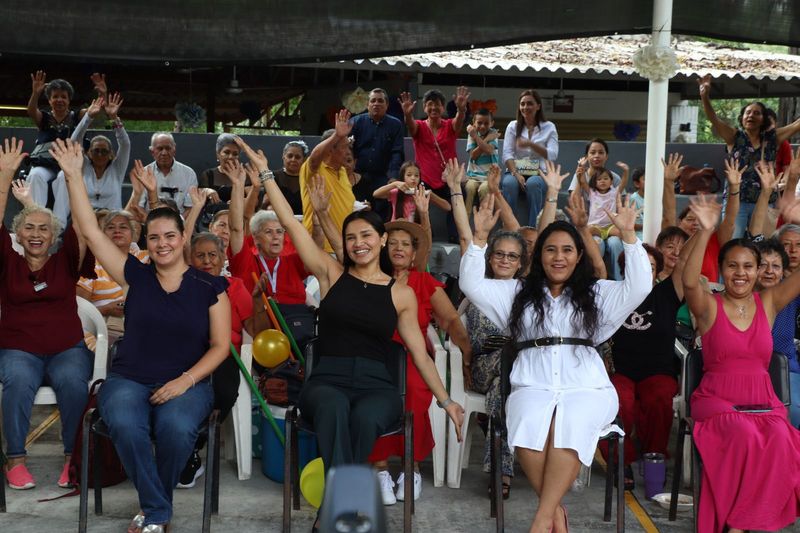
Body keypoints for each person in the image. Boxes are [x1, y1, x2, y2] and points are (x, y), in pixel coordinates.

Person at [234, 136, 464, 531]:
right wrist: (267, 174)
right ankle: (347, 510)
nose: (358, 243)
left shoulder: (401, 294)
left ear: (382, 241)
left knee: (366, 418)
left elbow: (420, 353)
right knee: (336, 410)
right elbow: (290, 222)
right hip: (328, 379)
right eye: (351, 237)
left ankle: (334, 511)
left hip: (377, 384)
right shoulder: (330, 275)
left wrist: (447, 402)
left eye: (366, 236)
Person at [53, 137, 231, 533]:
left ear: (183, 238)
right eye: (154, 238)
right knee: (123, 421)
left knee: (176, 429)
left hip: (188, 380)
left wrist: (184, 381)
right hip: (129, 378)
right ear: (145, 244)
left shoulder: (210, 288)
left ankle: (153, 509)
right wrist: (71, 175)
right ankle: (157, 510)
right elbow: (90, 230)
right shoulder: (135, 275)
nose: (163, 243)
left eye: (170, 236)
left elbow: (221, 346)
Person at [459, 189, 651, 532]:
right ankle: (554, 514)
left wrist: (630, 238)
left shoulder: (598, 293)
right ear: (539, 255)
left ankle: (541, 519)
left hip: (586, 387)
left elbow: (638, 287)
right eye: (550, 249)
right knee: (527, 420)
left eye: (566, 250)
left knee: (572, 421)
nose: (558, 257)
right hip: (532, 384)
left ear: (579, 256)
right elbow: (471, 284)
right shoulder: (516, 293)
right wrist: (479, 238)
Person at [681, 193, 800, 533]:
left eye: (748, 266)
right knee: (744, 434)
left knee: (781, 438)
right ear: (721, 269)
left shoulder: (770, 301)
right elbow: (689, 281)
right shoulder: (708, 305)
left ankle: (742, 523)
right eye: (732, 265)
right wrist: (705, 230)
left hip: (763, 400)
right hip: (717, 399)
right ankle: (740, 524)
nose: (740, 273)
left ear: (758, 270)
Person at [0, 138, 96, 490]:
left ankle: (73, 457)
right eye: (29, 227)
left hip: (66, 348)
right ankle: (16, 460)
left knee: (73, 382)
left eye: (44, 228)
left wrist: (74, 174)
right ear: (18, 234)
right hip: (17, 349)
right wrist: (5, 173)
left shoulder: (66, 260)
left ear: (54, 234)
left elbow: (84, 227)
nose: (37, 233)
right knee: (18, 382)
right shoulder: (7, 262)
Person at [364, 219, 472, 504]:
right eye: (393, 243)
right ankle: (380, 470)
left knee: (412, 392)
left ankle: (411, 470)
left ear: (414, 254)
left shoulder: (424, 282)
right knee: (375, 394)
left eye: (406, 245)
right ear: (383, 248)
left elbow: (450, 320)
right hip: (376, 356)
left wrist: (466, 356)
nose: (399, 249)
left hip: (413, 357)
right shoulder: (371, 277)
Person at [603, 239, 692, 489]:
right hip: (622, 371)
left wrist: (704, 231)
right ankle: (622, 459)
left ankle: (655, 457)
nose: (645, 271)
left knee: (659, 399)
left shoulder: (667, 293)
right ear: (626, 269)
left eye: (650, 266)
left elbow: (684, 263)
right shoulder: (615, 294)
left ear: (657, 271)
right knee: (619, 403)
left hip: (657, 372)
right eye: (637, 266)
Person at [178, 232, 253, 488]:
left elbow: (253, 326)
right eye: (200, 255)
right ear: (190, 259)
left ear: (223, 258)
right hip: (188, 352)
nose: (207, 261)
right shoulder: (181, 285)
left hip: (225, 354)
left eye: (213, 255)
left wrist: (260, 302)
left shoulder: (236, 286)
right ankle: (181, 446)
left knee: (223, 390)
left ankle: (192, 444)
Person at [698, 74, 800, 237]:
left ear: (764, 119)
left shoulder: (773, 138)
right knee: (734, 242)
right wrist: (705, 97)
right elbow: (714, 119)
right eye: (748, 112)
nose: (751, 115)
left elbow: (796, 125)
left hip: (766, 201)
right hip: (736, 201)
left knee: (762, 243)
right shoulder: (734, 136)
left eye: (756, 113)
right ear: (742, 117)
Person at [25, 71, 108, 207]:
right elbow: (31, 111)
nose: (59, 100)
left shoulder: (77, 116)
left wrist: (103, 94)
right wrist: (35, 93)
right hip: (45, 164)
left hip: (69, 166)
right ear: (49, 100)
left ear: (69, 100)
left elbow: (97, 110)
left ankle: (60, 222)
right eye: (55, 96)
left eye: (63, 97)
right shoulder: (44, 118)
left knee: (64, 178)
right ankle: (36, 215)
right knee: (35, 175)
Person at [400, 87, 470, 240]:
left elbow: (459, 120)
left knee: (460, 195)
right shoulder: (419, 126)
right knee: (417, 199)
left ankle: (455, 237)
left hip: (447, 179)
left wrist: (461, 109)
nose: (433, 107)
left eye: (437, 104)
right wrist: (407, 113)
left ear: (443, 107)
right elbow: (410, 125)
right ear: (425, 107)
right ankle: (424, 237)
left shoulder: (450, 125)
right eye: (430, 104)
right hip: (424, 180)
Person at [51, 93, 129, 228]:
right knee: (64, 175)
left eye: (104, 151)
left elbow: (125, 144)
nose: (100, 154)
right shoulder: (83, 166)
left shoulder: (117, 169)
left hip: (111, 221)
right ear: (88, 153)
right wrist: (88, 117)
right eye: (96, 151)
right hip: (84, 220)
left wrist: (114, 118)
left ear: (111, 154)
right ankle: (59, 229)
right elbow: (75, 141)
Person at [76, 209, 148, 342]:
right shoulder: (91, 266)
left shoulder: (145, 258)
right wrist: (106, 309)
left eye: (123, 226)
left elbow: (178, 247)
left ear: (133, 234)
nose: (117, 230)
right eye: (110, 227)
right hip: (104, 329)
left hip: (144, 326)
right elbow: (78, 312)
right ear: (102, 235)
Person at [754, 239, 800, 427]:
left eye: (776, 266)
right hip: (751, 371)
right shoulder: (739, 298)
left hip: (787, 368)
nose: (769, 271)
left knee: (795, 412)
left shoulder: (792, 297)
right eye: (763, 265)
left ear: (783, 272)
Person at [299, 109, 357, 253]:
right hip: (321, 249)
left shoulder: (343, 171)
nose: (348, 151)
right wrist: (337, 135)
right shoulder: (314, 170)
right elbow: (314, 157)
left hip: (344, 248)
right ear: (330, 150)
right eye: (344, 147)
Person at [500, 90, 559, 227]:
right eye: (522, 104)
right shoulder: (512, 126)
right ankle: (510, 227)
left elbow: (552, 154)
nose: (525, 107)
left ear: (538, 106)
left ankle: (534, 229)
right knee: (509, 184)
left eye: (530, 104)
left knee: (533, 184)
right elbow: (507, 154)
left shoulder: (549, 127)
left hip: (540, 172)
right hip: (515, 170)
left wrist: (531, 144)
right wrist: (516, 173)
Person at [350, 88, 405, 206]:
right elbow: (348, 150)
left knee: (382, 213)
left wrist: (393, 177)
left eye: (380, 101)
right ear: (367, 104)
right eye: (373, 101)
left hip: (383, 177)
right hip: (358, 176)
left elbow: (397, 152)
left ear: (387, 105)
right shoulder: (355, 122)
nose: (376, 104)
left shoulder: (395, 125)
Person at [140, 132, 198, 214]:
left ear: (174, 149)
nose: (164, 153)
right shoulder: (144, 174)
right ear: (152, 152)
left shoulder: (189, 174)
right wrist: (151, 224)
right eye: (160, 149)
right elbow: (138, 207)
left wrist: (179, 224)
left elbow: (190, 208)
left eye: (168, 148)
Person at [372, 160, 450, 222]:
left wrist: (432, 195)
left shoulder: (422, 194)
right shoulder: (396, 192)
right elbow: (375, 194)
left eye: (416, 175)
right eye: (409, 175)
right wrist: (394, 184)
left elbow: (447, 207)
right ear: (403, 177)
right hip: (397, 230)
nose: (413, 178)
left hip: (416, 231)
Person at [465, 108, 500, 213]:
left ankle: (484, 221)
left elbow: (489, 150)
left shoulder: (494, 134)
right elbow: (473, 155)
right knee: (469, 188)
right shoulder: (472, 134)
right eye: (479, 123)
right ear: (473, 123)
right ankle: (465, 220)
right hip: (472, 176)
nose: (483, 126)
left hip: (489, 177)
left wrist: (477, 138)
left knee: (485, 189)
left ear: (492, 123)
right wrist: (483, 138)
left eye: (486, 123)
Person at [263, 140, 308, 215]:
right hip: (278, 221)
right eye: (290, 156)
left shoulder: (308, 179)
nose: (293, 159)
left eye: (297, 157)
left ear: (303, 159)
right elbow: (265, 203)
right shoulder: (272, 176)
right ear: (283, 156)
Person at [197, 133, 242, 204]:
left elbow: (253, 200)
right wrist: (207, 191)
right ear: (218, 154)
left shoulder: (243, 175)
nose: (231, 157)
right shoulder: (208, 175)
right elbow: (198, 194)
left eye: (235, 154)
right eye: (227, 152)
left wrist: (240, 201)